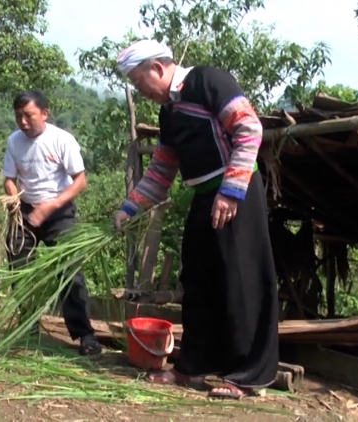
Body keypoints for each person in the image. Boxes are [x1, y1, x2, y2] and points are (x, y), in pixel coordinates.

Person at [113, 39, 279, 400]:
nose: (141, 91)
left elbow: (249, 129)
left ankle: (247, 376)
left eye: (141, 82)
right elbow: (162, 169)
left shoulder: (208, 81)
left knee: (241, 281)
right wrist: (130, 207)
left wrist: (232, 189)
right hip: (205, 196)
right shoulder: (169, 111)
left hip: (238, 193)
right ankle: (193, 366)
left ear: (158, 68)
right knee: (198, 279)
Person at [2, 89, 101, 356]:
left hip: (59, 211)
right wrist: (14, 200)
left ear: (44, 113)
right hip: (25, 211)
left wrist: (51, 206)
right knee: (21, 270)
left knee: (69, 271)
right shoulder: (14, 141)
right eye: (18, 116)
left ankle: (84, 335)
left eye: (29, 115)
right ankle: (28, 327)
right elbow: (9, 179)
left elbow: (80, 180)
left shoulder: (62, 140)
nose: (23, 122)